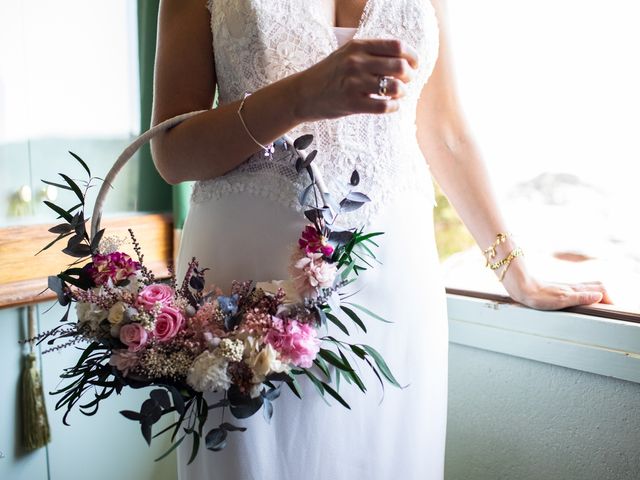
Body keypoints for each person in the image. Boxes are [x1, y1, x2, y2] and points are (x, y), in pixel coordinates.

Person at [150, 1, 610, 478]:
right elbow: (171, 152)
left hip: (394, 283)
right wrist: (300, 97)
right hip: (244, 280)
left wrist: (515, 270)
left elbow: (446, 133)